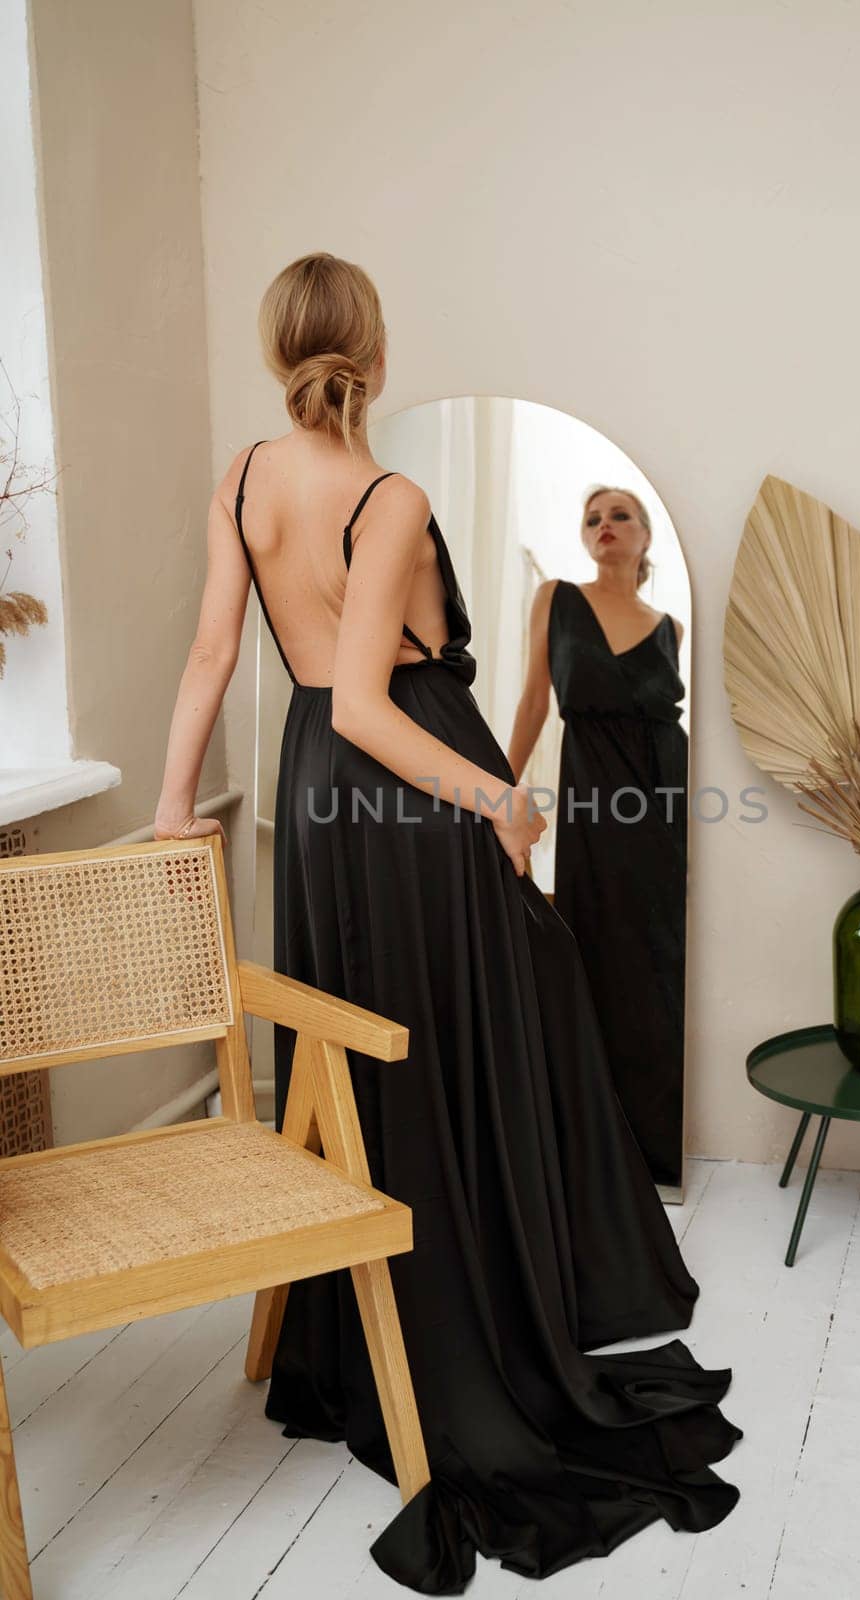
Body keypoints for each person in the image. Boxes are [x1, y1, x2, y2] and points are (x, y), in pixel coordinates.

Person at [153, 252, 740, 1593]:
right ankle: (475, 1329)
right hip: (408, 793)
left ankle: (367, 1334)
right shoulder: (385, 493)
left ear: (274, 347)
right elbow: (372, 704)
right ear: (371, 345)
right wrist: (501, 803)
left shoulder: (244, 479)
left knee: (371, 1051)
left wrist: (175, 802)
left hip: (319, 802)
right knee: (476, 1032)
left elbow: (211, 656)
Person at [508, 490, 688, 1186]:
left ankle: (659, 1134)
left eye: (619, 516)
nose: (605, 526)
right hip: (591, 798)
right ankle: (595, 1139)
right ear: (584, 540)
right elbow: (532, 701)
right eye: (592, 519)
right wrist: (497, 796)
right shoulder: (555, 598)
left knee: (657, 958)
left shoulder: (671, 627)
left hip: (663, 803)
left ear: (645, 536)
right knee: (593, 950)